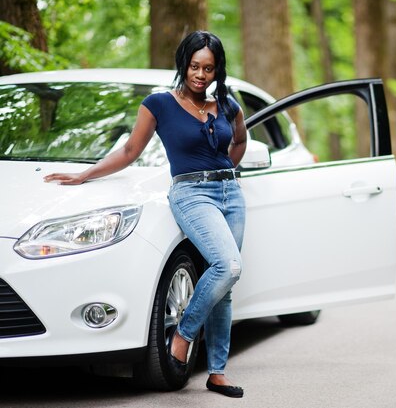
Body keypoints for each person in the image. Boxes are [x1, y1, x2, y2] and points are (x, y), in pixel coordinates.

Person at [44, 31, 248, 398]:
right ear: (183, 65)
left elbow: (240, 141)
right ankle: (185, 333)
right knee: (228, 266)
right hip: (190, 192)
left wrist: (228, 171)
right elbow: (129, 151)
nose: (201, 75)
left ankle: (217, 373)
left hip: (230, 193)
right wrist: (85, 174)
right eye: (194, 66)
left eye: (209, 68)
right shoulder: (159, 104)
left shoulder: (228, 106)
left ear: (218, 71)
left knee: (225, 287)